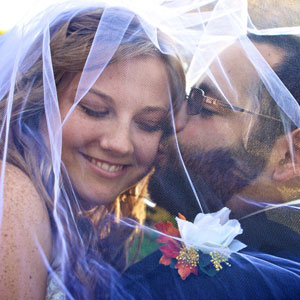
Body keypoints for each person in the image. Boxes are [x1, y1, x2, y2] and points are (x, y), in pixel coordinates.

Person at [0, 2, 189, 299]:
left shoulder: (86, 216)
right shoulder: (12, 196)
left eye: (148, 123)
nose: (120, 144)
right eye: (94, 109)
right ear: (40, 100)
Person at [116, 29, 300, 300]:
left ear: (290, 156)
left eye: (204, 106)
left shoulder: (186, 286)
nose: (173, 120)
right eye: (189, 97)